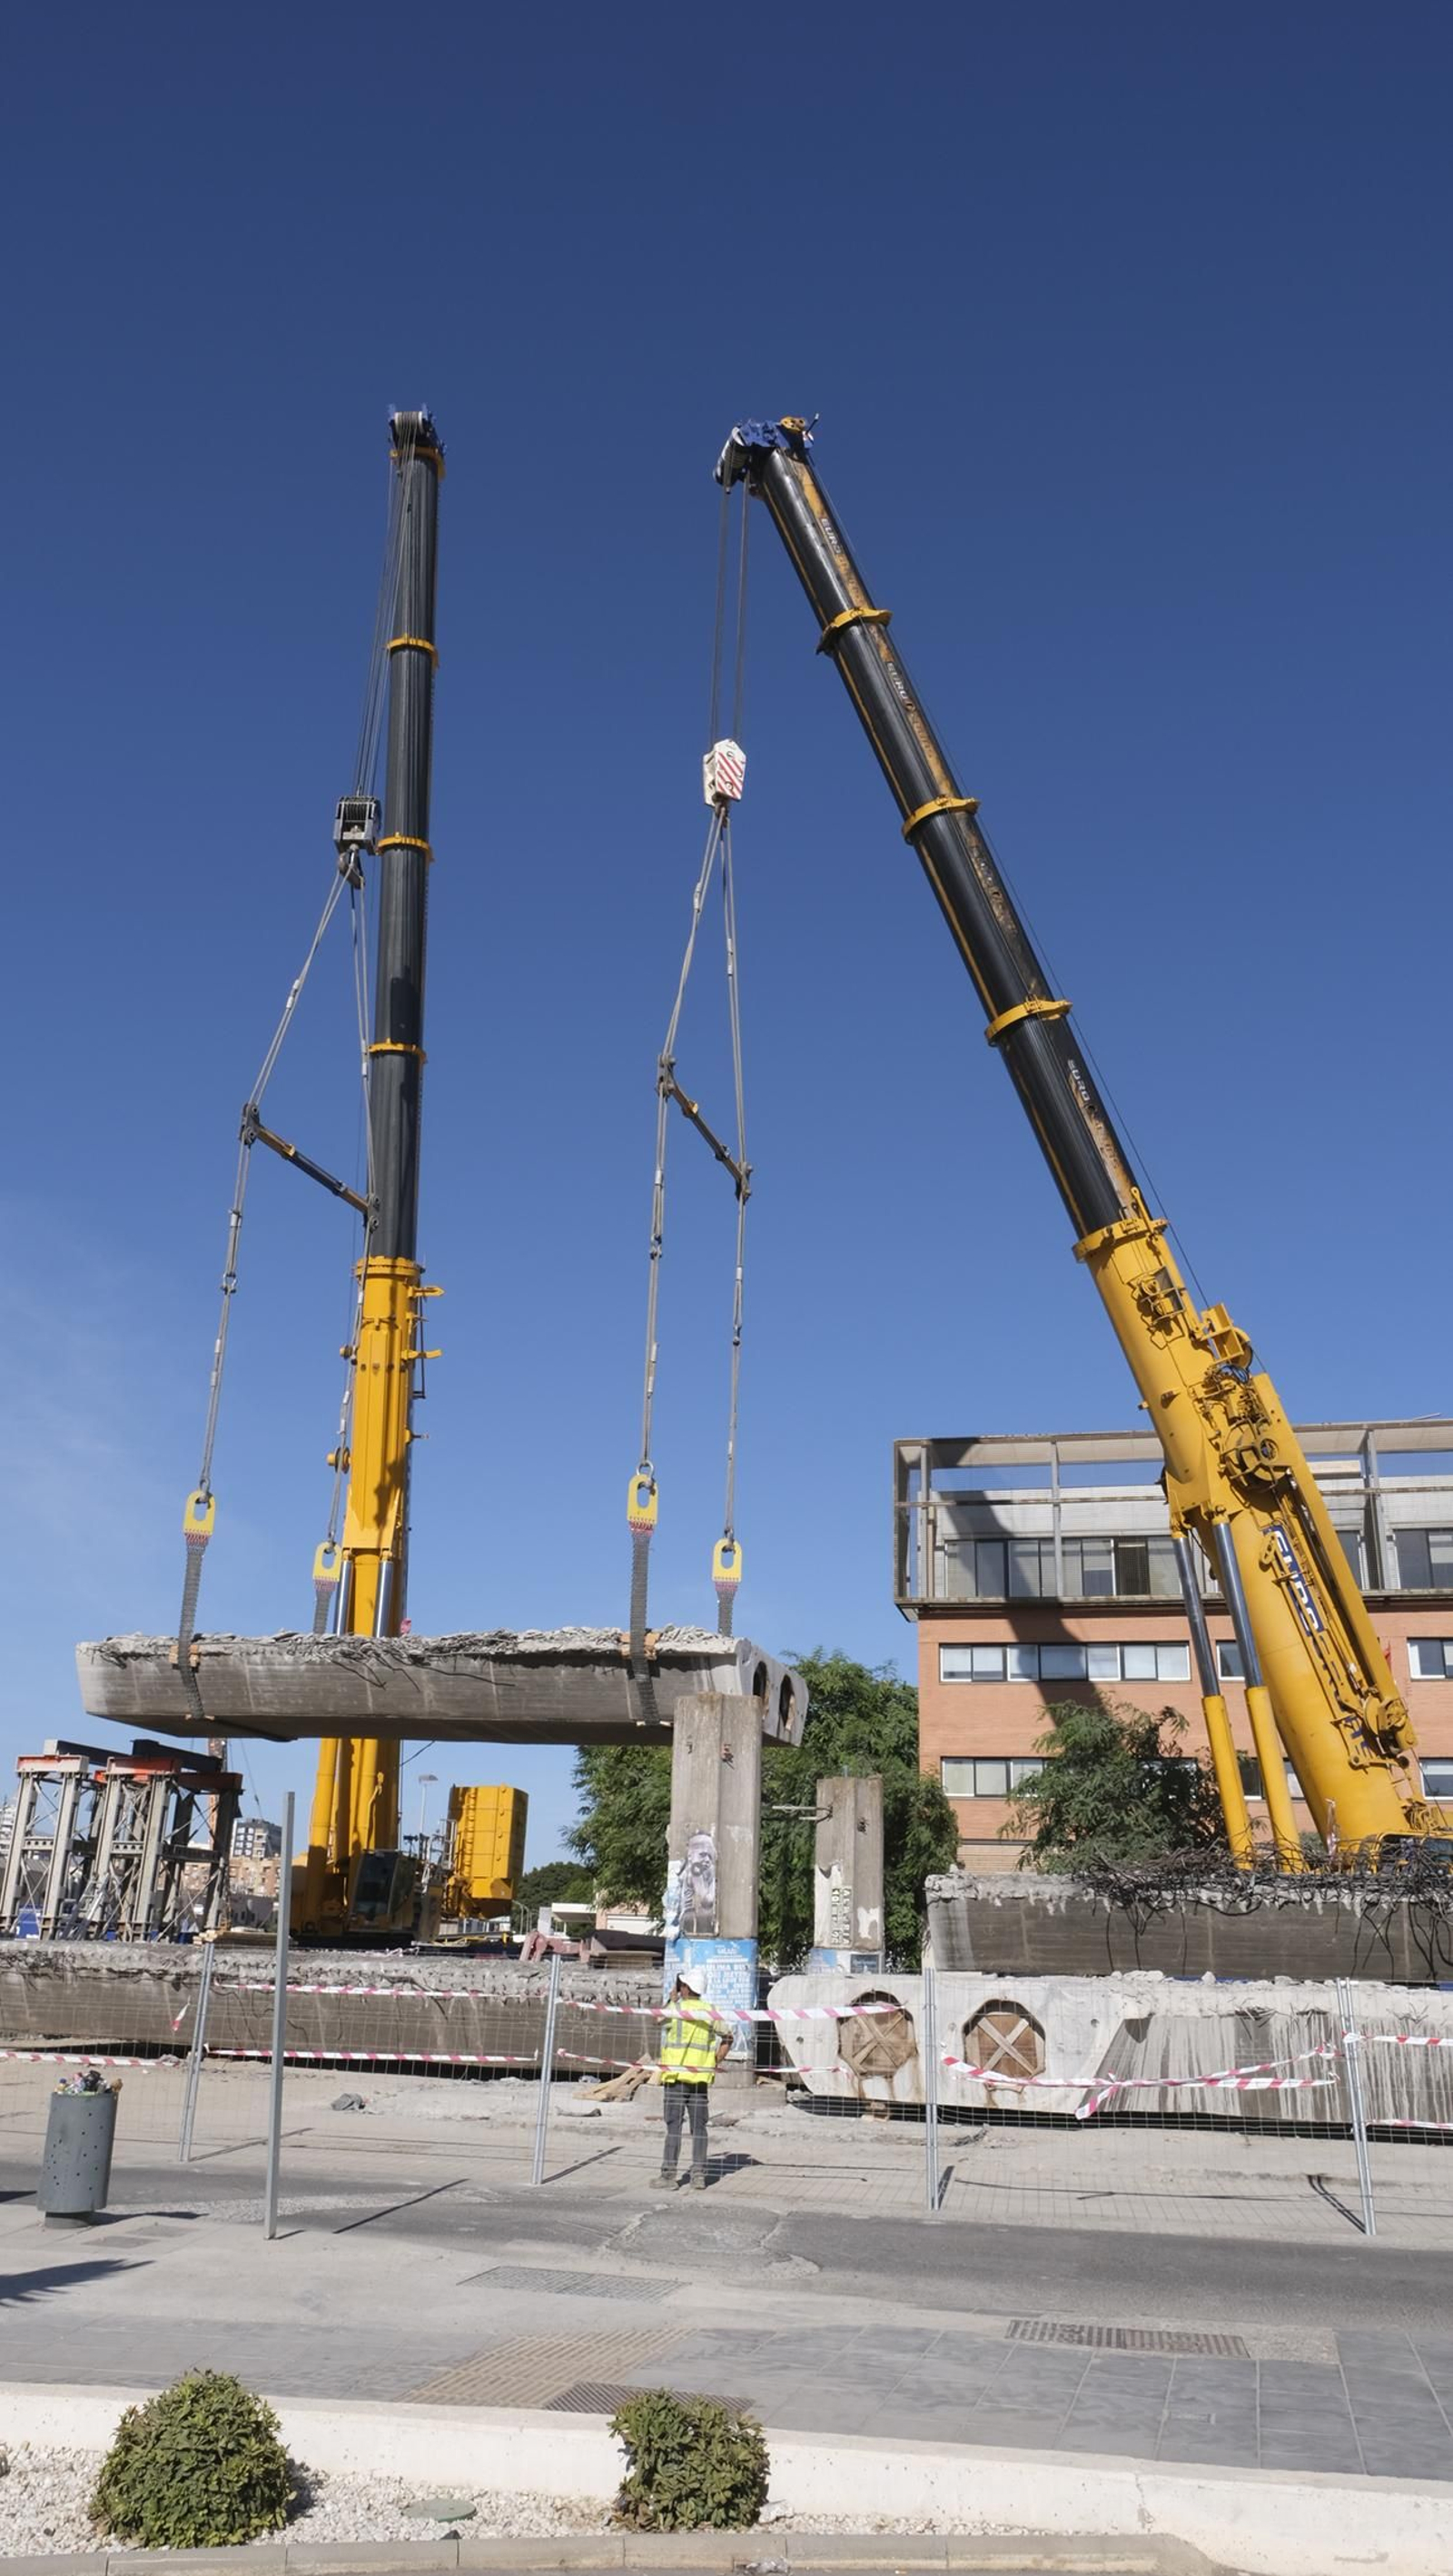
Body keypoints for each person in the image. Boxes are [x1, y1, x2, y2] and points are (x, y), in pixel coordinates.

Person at [652, 1969, 730, 2190]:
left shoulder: (675, 2009)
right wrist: (716, 2059)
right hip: (700, 2080)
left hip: (675, 2078)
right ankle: (698, 2176)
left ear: (685, 1988)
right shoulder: (710, 2011)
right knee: (699, 2128)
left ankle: (668, 2177)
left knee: (673, 2127)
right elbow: (729, 2036)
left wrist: (671, 1998)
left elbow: (657, 2019)